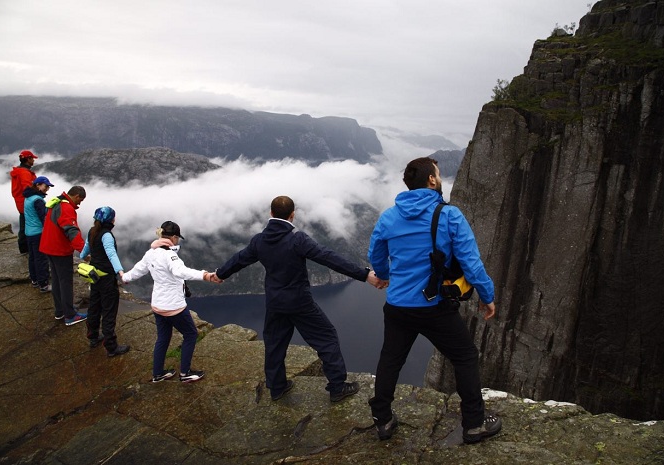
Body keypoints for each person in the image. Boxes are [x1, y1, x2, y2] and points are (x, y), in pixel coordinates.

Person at [367, 157, 502, 444]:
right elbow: (472, 265)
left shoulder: (389, 217)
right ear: (431, 180)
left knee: (390, 359)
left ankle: (382, 420)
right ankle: (474, 424)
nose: (440, 178)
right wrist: (487, 297)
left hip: (398, 306)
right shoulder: (450, 216)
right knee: (464, 357)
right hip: (434, 307)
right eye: (438, 174)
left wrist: (387, 275)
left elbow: (377, 256)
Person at [214, 195, 385, 402]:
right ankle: (337, 387)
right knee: (326, 338)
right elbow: (329, 258)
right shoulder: (297, 239)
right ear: (292, 215)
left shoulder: (260, 240)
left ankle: (277, 387)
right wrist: (364, 274)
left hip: (275, 302)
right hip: (299, 302)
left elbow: (239, 259)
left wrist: (220, 274)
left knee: (275, 344)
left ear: (271, 214)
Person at [122, 221, 216, 383]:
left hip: (158, 305)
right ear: (173, 237)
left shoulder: (151, 253)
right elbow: (181, 271)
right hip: (174, 307)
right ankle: (185, 373)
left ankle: (158, 373)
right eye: (177, 238)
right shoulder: (170, 255)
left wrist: (125, 277)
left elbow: (138, 270)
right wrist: (205, 275)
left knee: (163, 338)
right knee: (191, 334)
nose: (178, 240)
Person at [79, 207, 130, 357]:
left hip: (94, 275)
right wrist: (120, 271)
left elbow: (86, 249)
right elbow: (111, 253)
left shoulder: (92, 231)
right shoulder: (106, 235)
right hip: (106, 278)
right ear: (111, 220)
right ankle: (111, 347)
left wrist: (82, 256)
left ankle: (93, 336)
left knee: (94, 306)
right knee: (109, 310)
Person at [39, 186, 88, 326]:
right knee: (65, 282)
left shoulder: (56, 203)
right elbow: (71, 231)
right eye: (81, 199)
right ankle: (70, 315)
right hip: (59, 250)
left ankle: (59, 311)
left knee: (56, 280)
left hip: (48, 247)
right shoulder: (67, 208)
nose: (80, 203)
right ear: (77, 195)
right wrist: (84, 252)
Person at [23, 176, 54, 292]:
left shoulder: (28, 198)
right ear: (38, 185)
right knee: (41, 259)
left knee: (32, 257)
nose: (47, 189)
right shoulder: (38, 200)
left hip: (29, 233)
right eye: (46, 186)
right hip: (38, 233)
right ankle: (44, 285)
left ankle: (34, 280)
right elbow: (44, 218)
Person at [10, 150, 38, 254]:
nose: (33, 161)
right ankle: (26, 249)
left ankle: (24, 248)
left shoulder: (19, 171)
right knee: (28, 226)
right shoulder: (25, 173)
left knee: (24, 224)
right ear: (28, 159)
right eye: (32, 159)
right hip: (27, 203)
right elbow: (27, 189)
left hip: (21, 202)